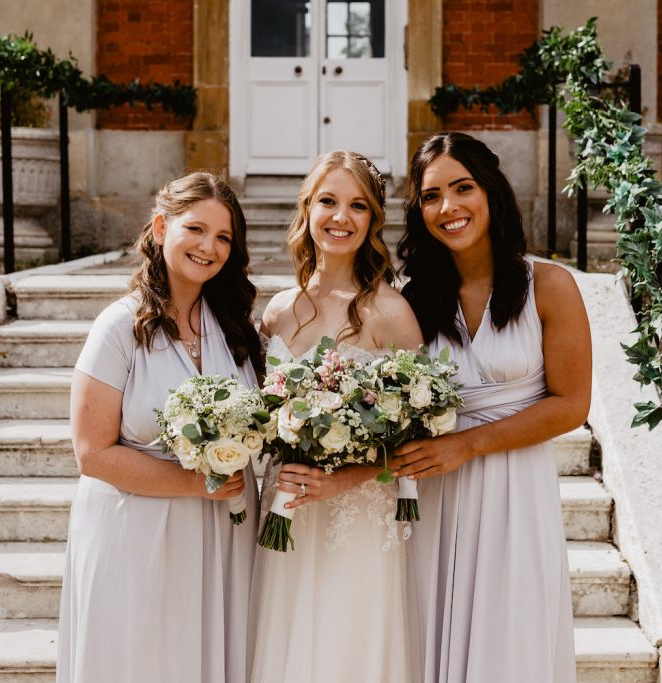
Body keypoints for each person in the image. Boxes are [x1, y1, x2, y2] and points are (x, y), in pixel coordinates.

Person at [393, 132, 592, 682]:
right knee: (429, 631)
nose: (448, 208)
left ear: (491, 192)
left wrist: (468, 443)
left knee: (511, 642)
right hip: (435, 495)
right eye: (432, 196)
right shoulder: (413, 300)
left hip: (514, 488)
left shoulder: (548, 286)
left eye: (463, 188)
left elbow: (572, 404)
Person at [57, 172, 265, 683]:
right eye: (195, 229)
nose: (209, 247)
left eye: (223, 237)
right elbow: (93, 453)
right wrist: (196, 482)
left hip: (223, 531)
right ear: (158, 228)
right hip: (138, 532)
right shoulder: (119, 327)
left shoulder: (236, 329)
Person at [248, 151, 424, 683]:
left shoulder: (390, 311)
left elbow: (424, 435)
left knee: (350, 648)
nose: (340, 217)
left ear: (373, 220)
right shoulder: (278, 310)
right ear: (308, 208)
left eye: (357, 206)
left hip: (358, 517)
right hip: (287, 509)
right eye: (328, 201)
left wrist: (346, 477)